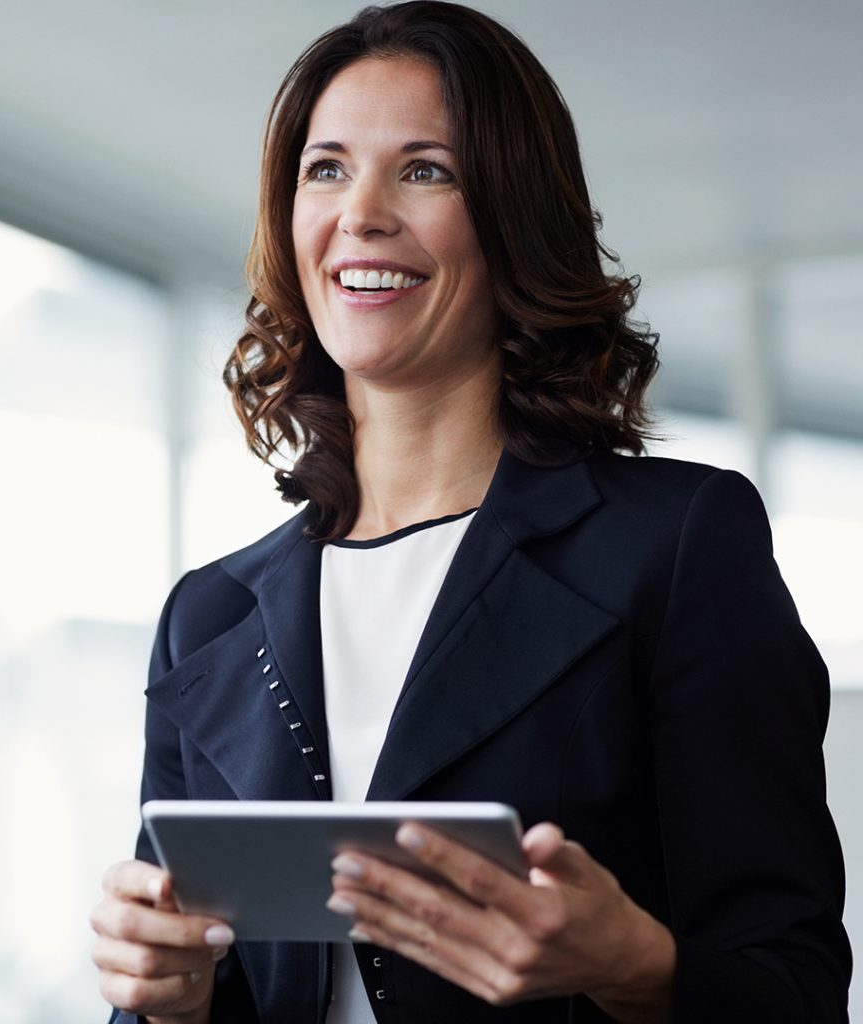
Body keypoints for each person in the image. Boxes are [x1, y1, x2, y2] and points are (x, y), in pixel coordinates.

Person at [89, 3, 852, 1022]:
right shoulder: (212, 612)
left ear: (512, 217)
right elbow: (210, 985)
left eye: (425, 169)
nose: (360, 212)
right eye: (325, 168)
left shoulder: (673, 545)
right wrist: (163, 998)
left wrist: (634, 963)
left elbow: (790, 986)